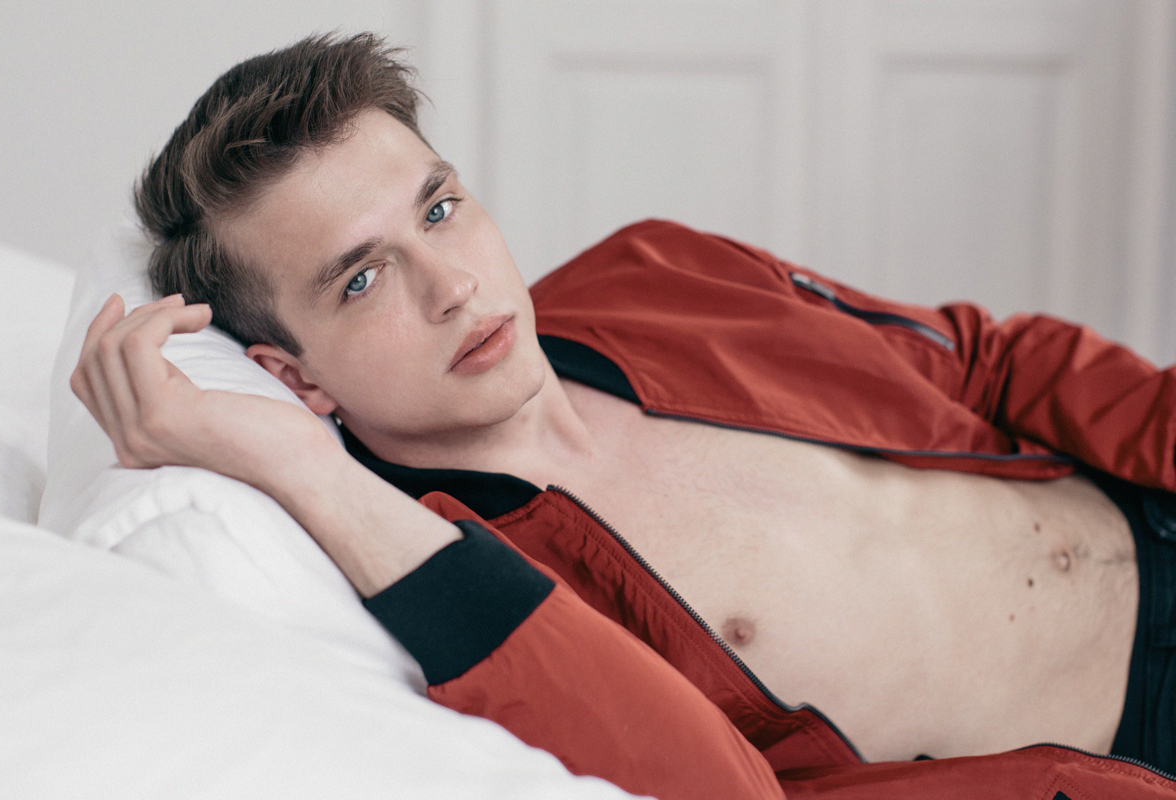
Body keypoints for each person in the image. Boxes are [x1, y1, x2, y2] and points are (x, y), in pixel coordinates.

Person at [72, 32, 1176, 798]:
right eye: (362, 279)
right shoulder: (462, 580)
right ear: (296, 377)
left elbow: (983, 358)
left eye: (440, 210)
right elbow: (717, 787)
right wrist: (302, 470)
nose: (452, 285)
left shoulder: (653, 270)